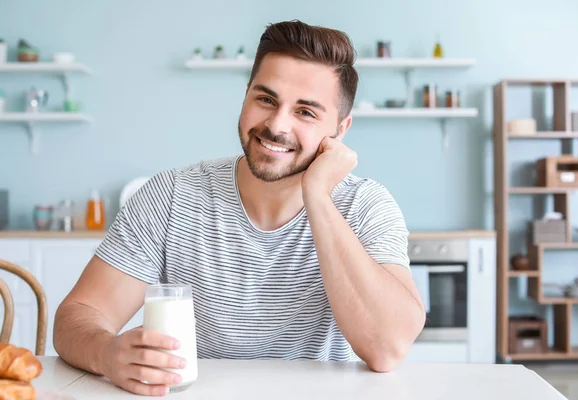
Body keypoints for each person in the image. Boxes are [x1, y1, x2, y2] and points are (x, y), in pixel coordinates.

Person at [53, 20, 426, 396]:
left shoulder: (367, 205)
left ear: (340, 130)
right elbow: (76, 318)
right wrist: (107, 353)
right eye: (266, 99)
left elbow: (387, 349)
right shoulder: (170, 195)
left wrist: (317, 195)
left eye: (306, 113)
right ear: (246, 94)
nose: (277, 125)